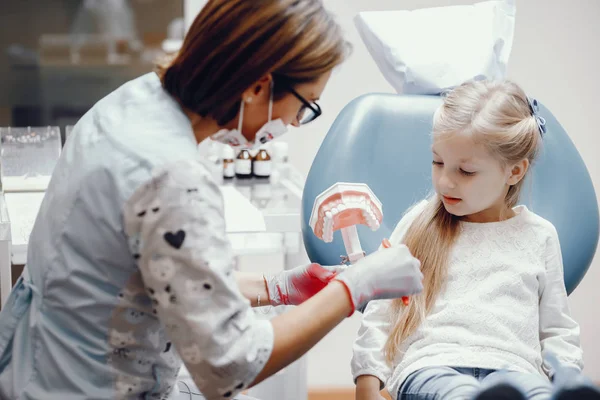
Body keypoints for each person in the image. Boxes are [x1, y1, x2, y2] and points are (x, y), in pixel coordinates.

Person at [0, 1, 424, 399]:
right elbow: (229, 366)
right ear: (259, 87)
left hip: (38, 366)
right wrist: (355, 286)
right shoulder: (173, 178)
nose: (297, 123)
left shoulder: (131, 101)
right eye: (304, 106)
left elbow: (150, 278)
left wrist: (274, 287)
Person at [351, 80, 600, 400]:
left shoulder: (539, 236)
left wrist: (565, 372)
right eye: (437, 162)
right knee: (457, 394)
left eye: (465, 171)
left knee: (536, 393)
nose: (445, 181)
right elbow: (381, 313)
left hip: (514, 368)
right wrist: (367, 385)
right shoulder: (418, 224)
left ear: (514, 171)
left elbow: (557, 330)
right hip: (431, 366)